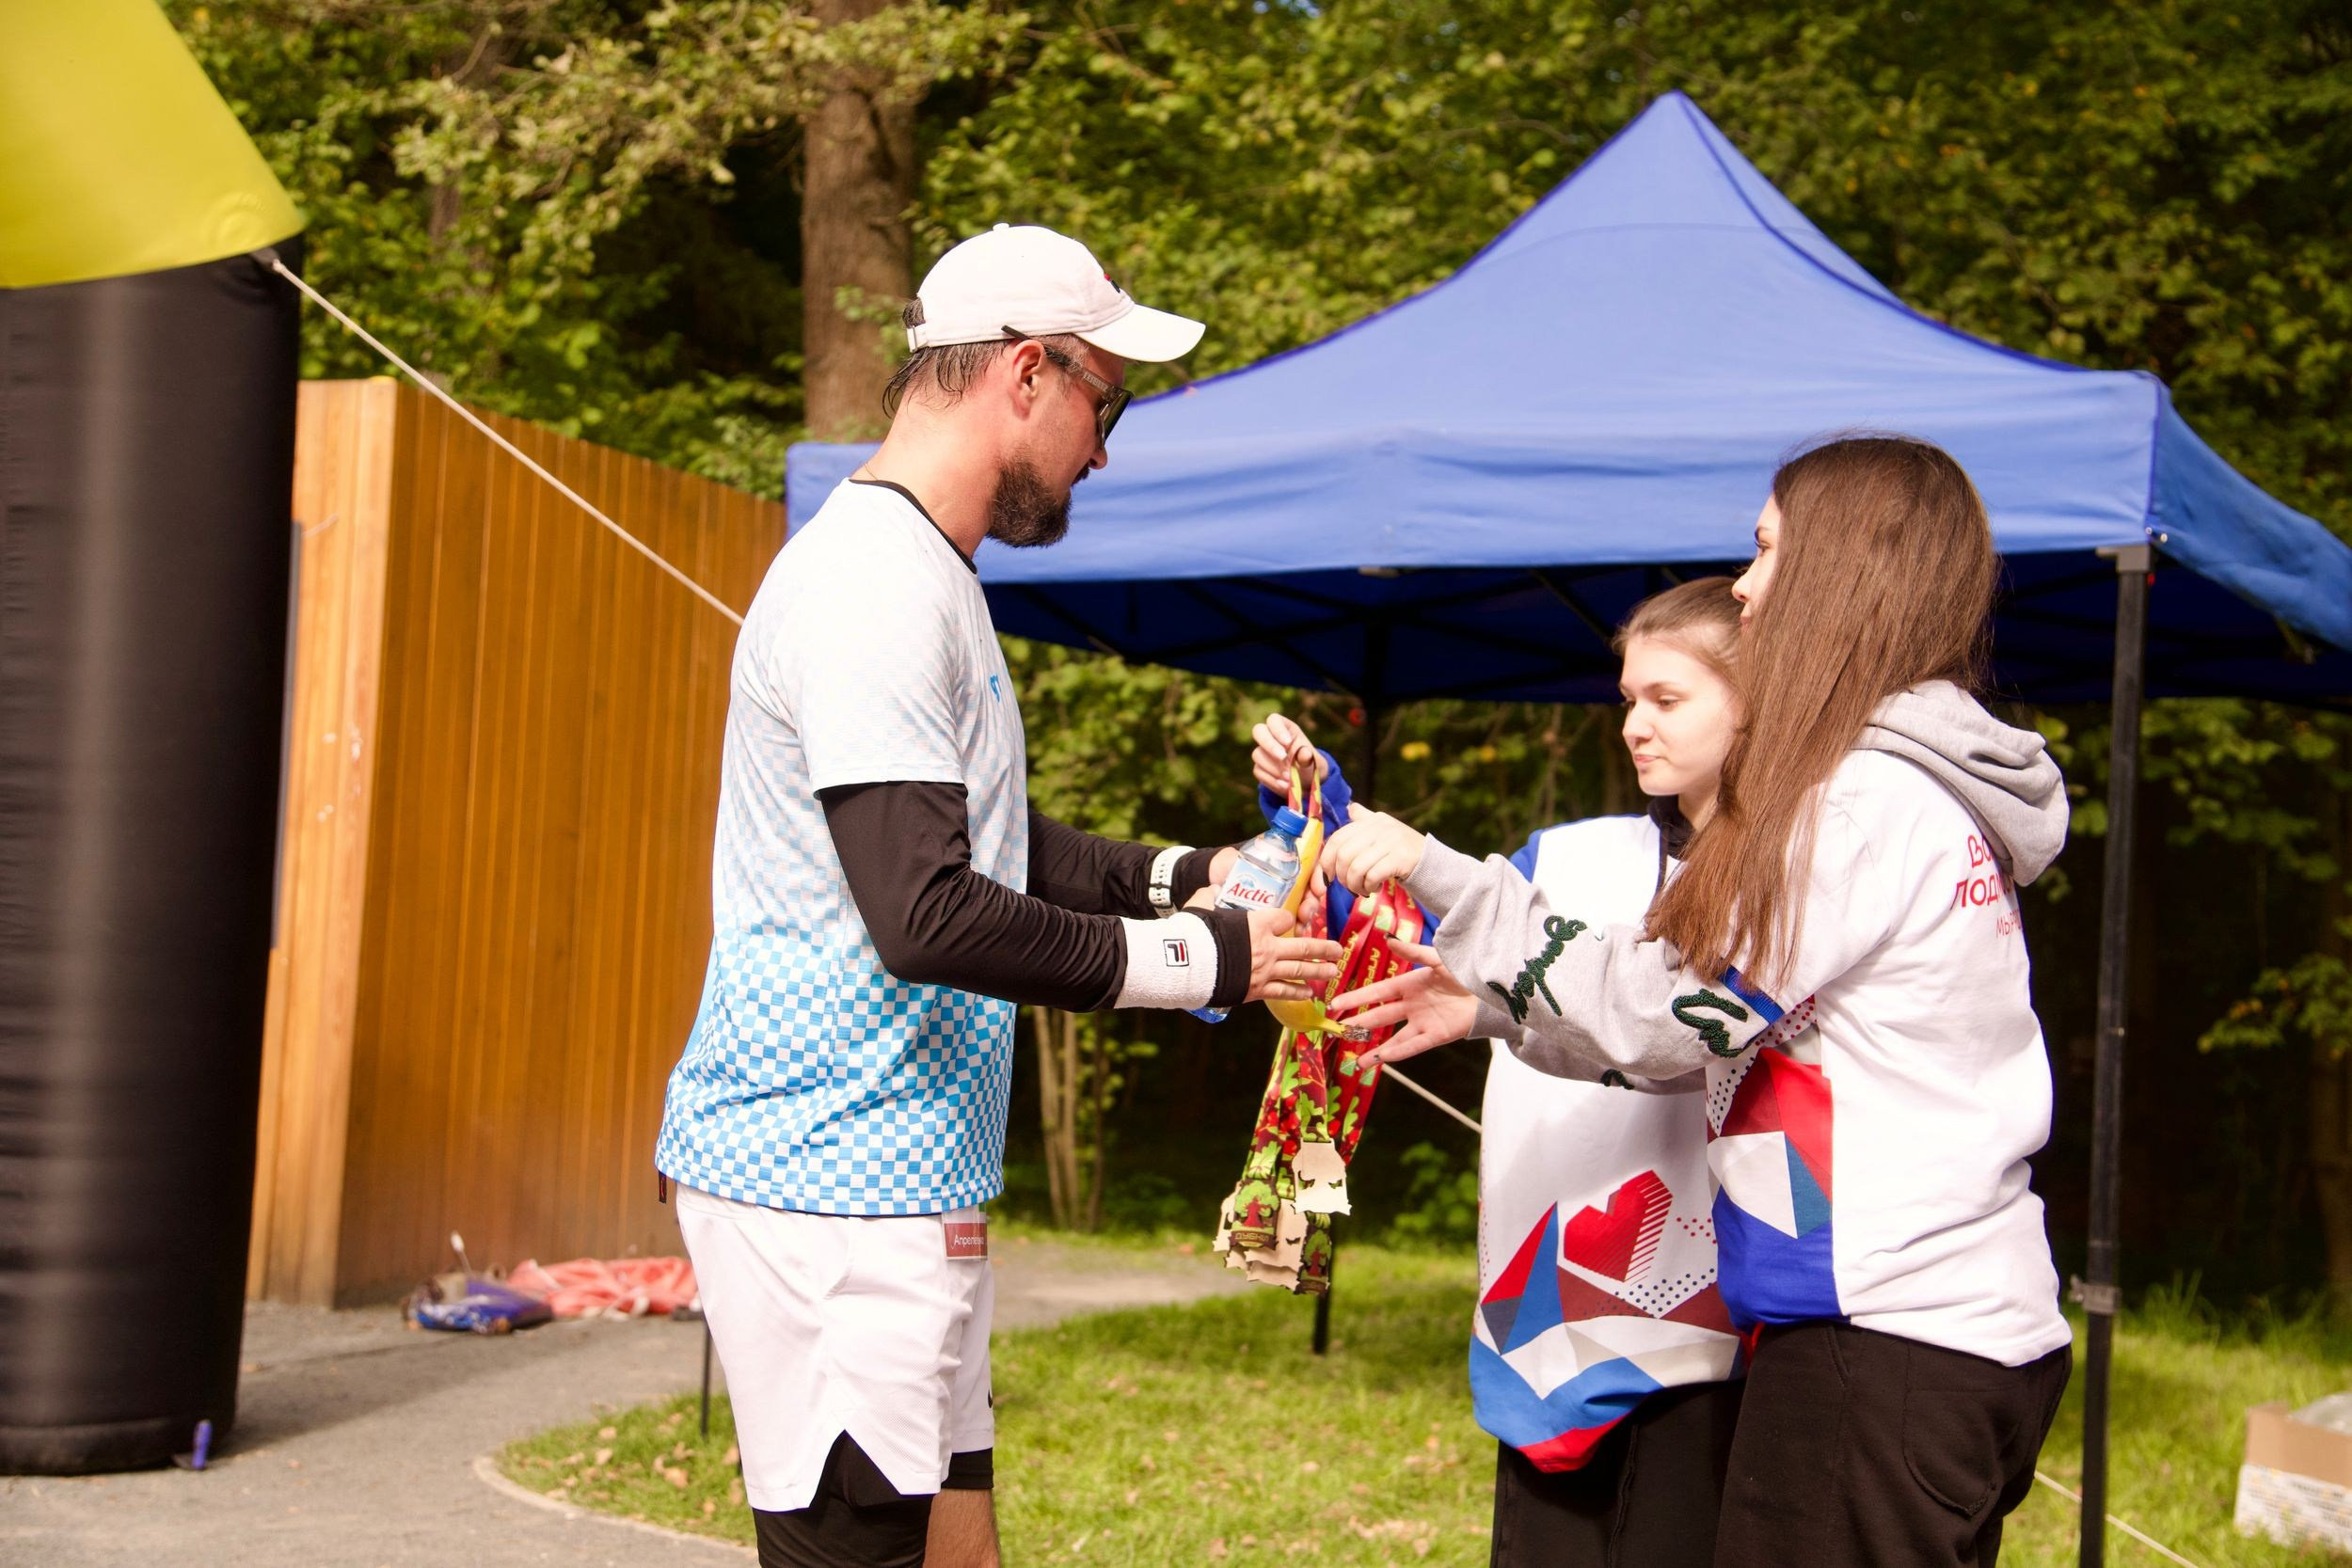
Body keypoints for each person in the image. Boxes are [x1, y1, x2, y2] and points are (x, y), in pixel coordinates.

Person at [654, 223, 1342, 1568]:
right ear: (1028, 374)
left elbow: (994, 838)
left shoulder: (929, 573)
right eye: (1106, 399)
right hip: (829, 1185)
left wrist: (1186, 872)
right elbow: (929, 914)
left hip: (904, 1175)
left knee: (960, 1547)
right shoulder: (871, 586)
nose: (1103, 443)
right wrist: (1209, 958)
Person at [1325, 435, 2073, 1568]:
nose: (1745, 582)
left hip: (1887, 1341)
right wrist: (1489, 1010)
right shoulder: (1908, 792)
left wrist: (1442, 874)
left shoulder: (1859, 804)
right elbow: (1709, 1035)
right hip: (1941, 1327)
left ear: (1840, 568)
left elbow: (1657, 1006)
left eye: (1766, 546)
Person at [1250, 578, 1749, 1568]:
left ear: (1758, 698)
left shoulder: (1794, 875)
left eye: (1667, 698)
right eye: (1626, 701)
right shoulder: (1563, 856)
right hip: (1545, 1305)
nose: (1635, 727)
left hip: (1711, 1321)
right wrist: (1320, 813)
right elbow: (1409, 939)